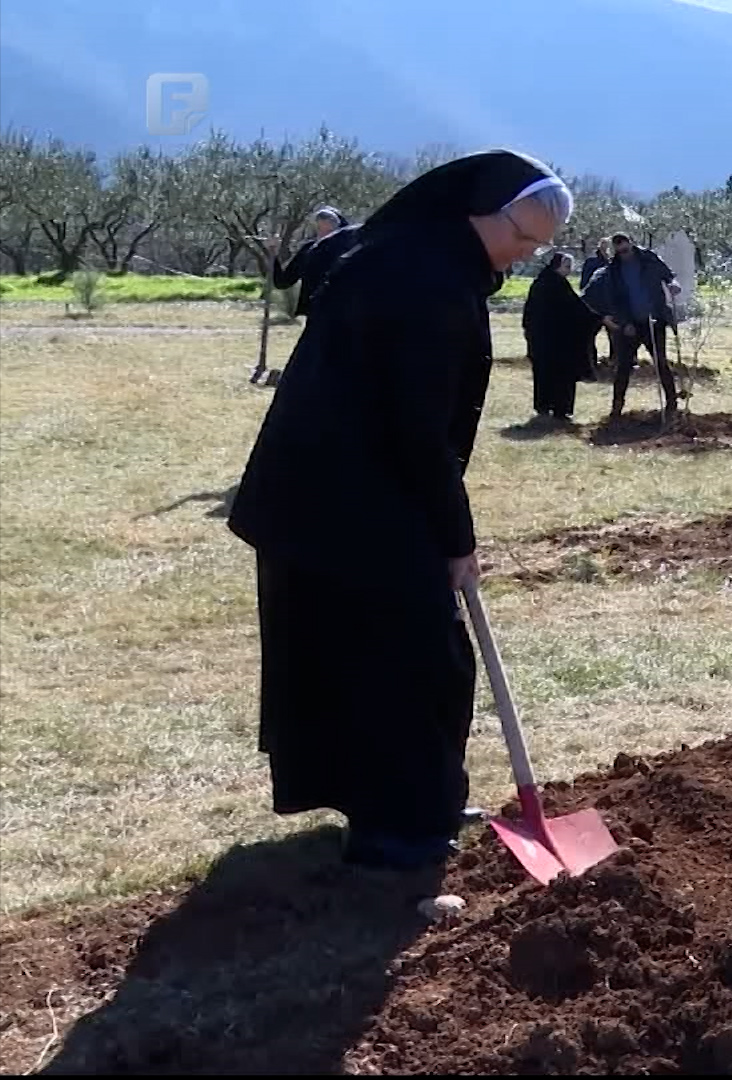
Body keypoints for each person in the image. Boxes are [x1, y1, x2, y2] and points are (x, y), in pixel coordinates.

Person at [226, 149, 572, 871]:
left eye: (538, 246)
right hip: (344, 501)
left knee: (395, 654)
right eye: (522, 237)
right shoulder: (423, 280)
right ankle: (396, 828)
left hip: (353, 494)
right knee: (402, 660)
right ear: (479, 213)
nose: (525, 255)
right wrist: (455, 537)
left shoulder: (420, 258)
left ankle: (418, 804)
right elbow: (418, 429)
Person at [582, 232, 680, 422]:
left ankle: (672, 404)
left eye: (626, 250)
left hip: (653, 320)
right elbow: (608, 299)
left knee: (661, 363)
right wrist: (622, 322)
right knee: (623, 367)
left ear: (632, 244)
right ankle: (617, 408)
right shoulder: (612, 271)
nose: (624, 255)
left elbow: (667, 274)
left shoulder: (649, 259)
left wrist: (673, 284)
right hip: (629, 326)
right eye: (620, 252)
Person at [522, 251, 602, 423]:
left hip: (543, 341)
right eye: (566, 266)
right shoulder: (557, 285)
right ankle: (560, 408)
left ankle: (543, 405)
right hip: (558, 342)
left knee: (544, 374)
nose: (568, 270)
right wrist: (598, 318)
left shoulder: (541, 283)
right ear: (557, 266)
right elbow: (576, 309)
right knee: (562, 375)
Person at [268, 206, 360, 321]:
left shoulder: (350, 251)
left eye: (329, 231)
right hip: (313, 316)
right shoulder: (309, 251)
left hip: (343, 315)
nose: (324, 234)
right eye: (320, 228)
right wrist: (273, 255)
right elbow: (282, 282)